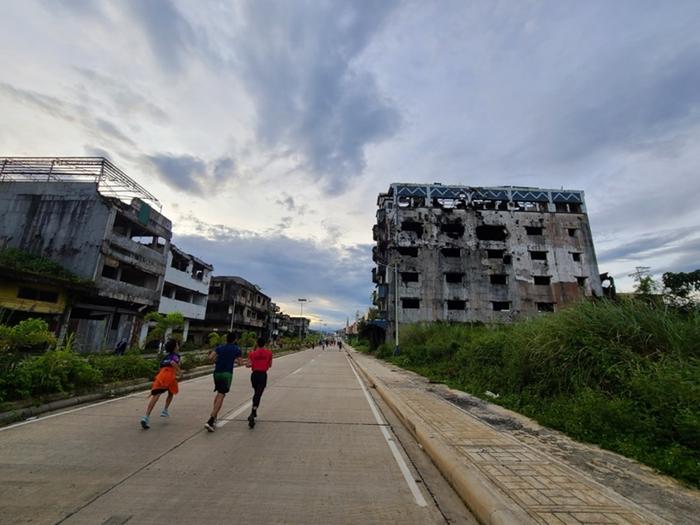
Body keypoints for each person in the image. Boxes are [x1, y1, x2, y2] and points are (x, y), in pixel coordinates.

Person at [205, 332, 243, 432]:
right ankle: (211, 419)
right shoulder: (237, 349)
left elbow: (210, 358)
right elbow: (240, 363)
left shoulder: (219, 347)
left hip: (217, 373)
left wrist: (217, 361)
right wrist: (233, 360)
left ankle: (214, 417)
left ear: (226, 339)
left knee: (218, 394)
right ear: (235, 340)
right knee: (221, 395)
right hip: (227, 374)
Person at [140, 339, 181, 429]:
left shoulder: (165, 357)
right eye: (177, 345)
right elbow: (173, 363)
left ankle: (146, 417)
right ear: (174, 347)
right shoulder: (176, 356)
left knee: (156, 396)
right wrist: (179, 372)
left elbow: (160, 366)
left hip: (161, 375)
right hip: (170, 376)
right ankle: (165, 410)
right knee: (171, 392)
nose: (178, 346)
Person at [246, 337, 273, 428]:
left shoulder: (252, 353)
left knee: (256, 393)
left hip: (254, 375)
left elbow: (248, 365)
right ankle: (253, 412)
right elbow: (270, 365)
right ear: (264, 344)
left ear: (257, 343)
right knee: (258, 394)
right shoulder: (269, 353)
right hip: (262, 375)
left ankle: (254, 411)